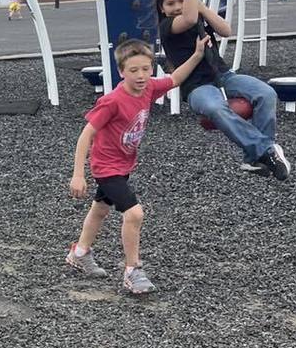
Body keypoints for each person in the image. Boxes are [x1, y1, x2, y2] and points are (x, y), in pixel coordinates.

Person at [67, 36, 207, 295]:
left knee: (100, 209)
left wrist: (197, 54)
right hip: (106, 167)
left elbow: (175, 79)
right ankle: (132, 271)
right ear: (121, 71)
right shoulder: (112, 101)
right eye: (133, 70)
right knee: (134, 214)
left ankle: (80, 252)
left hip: (124, 163)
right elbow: (86, 135)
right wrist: (78, 174)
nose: (141, 75)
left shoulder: (150, 88)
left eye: (146, 68)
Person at [155, 0, 289, 180]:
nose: (177, 6)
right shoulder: (167, 26)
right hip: (196, 87)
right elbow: (187, 19)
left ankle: (253, 158)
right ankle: (266, 150)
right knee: (215, 107)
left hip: (223, 76)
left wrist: (201, 7)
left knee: (266, 94)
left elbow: (226, 30)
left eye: (182, 0)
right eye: (170, 3)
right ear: (162, 9)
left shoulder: (196, 15)